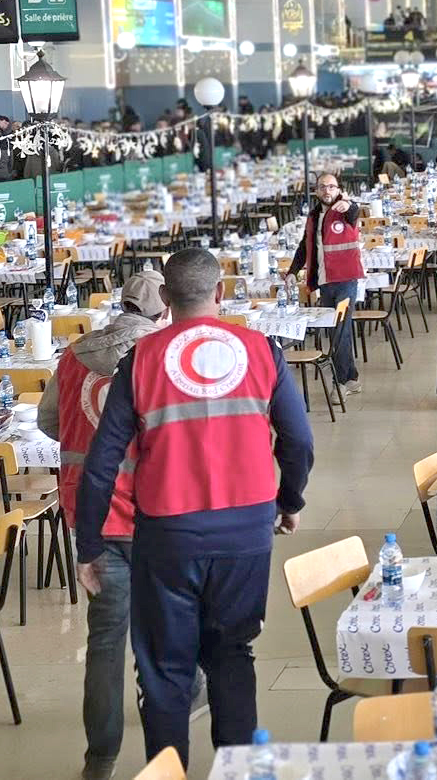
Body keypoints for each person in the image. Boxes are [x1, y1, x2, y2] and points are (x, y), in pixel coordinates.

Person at [76, 249, 314, 772]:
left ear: (165, 299)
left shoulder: (139, 360)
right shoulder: (262, 349)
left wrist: (90, 545)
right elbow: (298, 441)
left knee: (165, 668)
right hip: (247, 528)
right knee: (232, 655)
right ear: (221, 293)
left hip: (168, 536)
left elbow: (100, 465)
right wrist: (288, 501)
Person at [42, 269, 166, 780]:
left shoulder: (74, 354)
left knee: (105, 637)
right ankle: (175, 721)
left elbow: (48, 421)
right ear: (163, 312)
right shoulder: (159, 357)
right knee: (168, 622)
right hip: (151, 511)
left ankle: (100, 758)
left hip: (90, 514)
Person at [289, 172, 363, 401]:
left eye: (331, 187)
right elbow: (304, 246)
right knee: (338, 331)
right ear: (316, 190)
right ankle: (351, 377)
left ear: (338, 188)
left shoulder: (346, 210)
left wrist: (349, 203)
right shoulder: (313, 215)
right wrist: (292, 271)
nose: (327, 191)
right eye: (322, 187)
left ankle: (339, 383)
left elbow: (354, 211)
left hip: (346, 280)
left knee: (339, 332)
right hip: (324, 281)